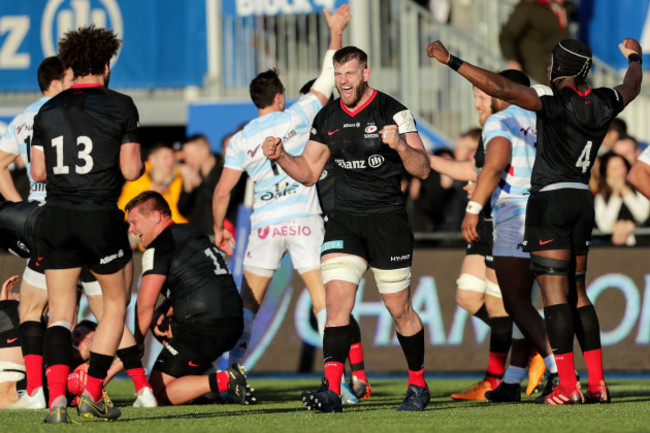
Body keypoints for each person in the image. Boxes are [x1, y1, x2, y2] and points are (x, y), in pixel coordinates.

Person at [427, 36, 642, 404]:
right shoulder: (605, 101)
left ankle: (568, 385)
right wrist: (634, 57)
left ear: (559, 68)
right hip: (581, 198)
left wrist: (453, 61)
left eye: (551, 63)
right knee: (579, 294)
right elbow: (632, 86)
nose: (547, 68)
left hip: (549, 202)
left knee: (554, 296)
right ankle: (597, 384)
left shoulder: (551, 103)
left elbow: (502, 87)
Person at [264, 45, 431, 412]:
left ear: (365, 74)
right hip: (344, 221)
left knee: (399, 309)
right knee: (337, 304)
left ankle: (418, 385)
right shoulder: (326, 117)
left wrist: (401, 146)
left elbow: (422, 169)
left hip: (388, 221)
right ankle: (333, 390)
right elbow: (308, 172)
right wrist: (281, 158)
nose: (343, 82)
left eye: (350, 74)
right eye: (338, 75)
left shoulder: (394, 112)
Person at [212, 4, 361, 401]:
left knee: (249, 305)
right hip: (304, 218)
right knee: (325, 301)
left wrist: (217, 229)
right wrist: (335, 33)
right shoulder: (297, 115)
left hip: (265, 224)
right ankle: (340, 383)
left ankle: (231, 379)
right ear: (279, 96)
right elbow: (329, 78)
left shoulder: (240, 140)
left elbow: (223, 191)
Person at [30, 25, 145, 423]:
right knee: (115, 303)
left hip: (56, 217)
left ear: (72, 66)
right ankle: (92, 393)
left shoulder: (47, 109)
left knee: (61, 312)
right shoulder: (120, 105)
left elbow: (39, 171)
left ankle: (57, 400)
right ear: (106, 63)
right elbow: (132, 170)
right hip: (98, 215)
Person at [459, 69, 558, 403]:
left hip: (515, 213)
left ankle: (558, 370)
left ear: (500, 90)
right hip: (552, 211)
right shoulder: (548, 116)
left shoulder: (500, 120)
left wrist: (474, 207)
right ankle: (512, 381)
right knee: (535, 302)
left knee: (514, 302)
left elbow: (496, 164)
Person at [125, 191, 254, 406]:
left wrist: (136, 343)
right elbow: (198, 282)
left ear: (156, 217)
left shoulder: (159, 247)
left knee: (156, 394)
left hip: (202, 327)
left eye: (134, 222)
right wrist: (163, 310)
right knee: (162, 326)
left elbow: (145, 304)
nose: (131, 229)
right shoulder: (191, 233)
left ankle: (224, 381)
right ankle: (209, 386)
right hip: (231, 321)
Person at [118, 142, 188, 227]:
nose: (170, 161)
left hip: (176, 233)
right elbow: (123, 212)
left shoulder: (181, 178)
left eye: (172, 157)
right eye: (165, 157)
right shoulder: (137, 180)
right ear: (152, 159)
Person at [499, 0, 569, 84]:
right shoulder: (528, 7)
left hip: (558, 69)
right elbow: (507, 35)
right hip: (535, 71)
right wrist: (512, 60)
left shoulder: (562, 9)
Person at [594, 152, 649, 246]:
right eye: (614, 169)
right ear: (606, 173)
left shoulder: (639, 190)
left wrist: (624, 190)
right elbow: (605, 226)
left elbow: (643, 216)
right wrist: (616, 194)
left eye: (622, 167)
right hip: (611, 249)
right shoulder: (600, 197)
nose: (620, 172)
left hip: (641, 245)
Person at [178, 134, 224, 235]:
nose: (188, 161)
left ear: (205, 151)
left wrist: (200, 184)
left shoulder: (223, 171)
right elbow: (182, 210)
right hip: (198, 237)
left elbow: (222, 201)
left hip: (221, 235)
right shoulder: (192, 172)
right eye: (186, 157)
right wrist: (187, 190)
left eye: (192, 156)